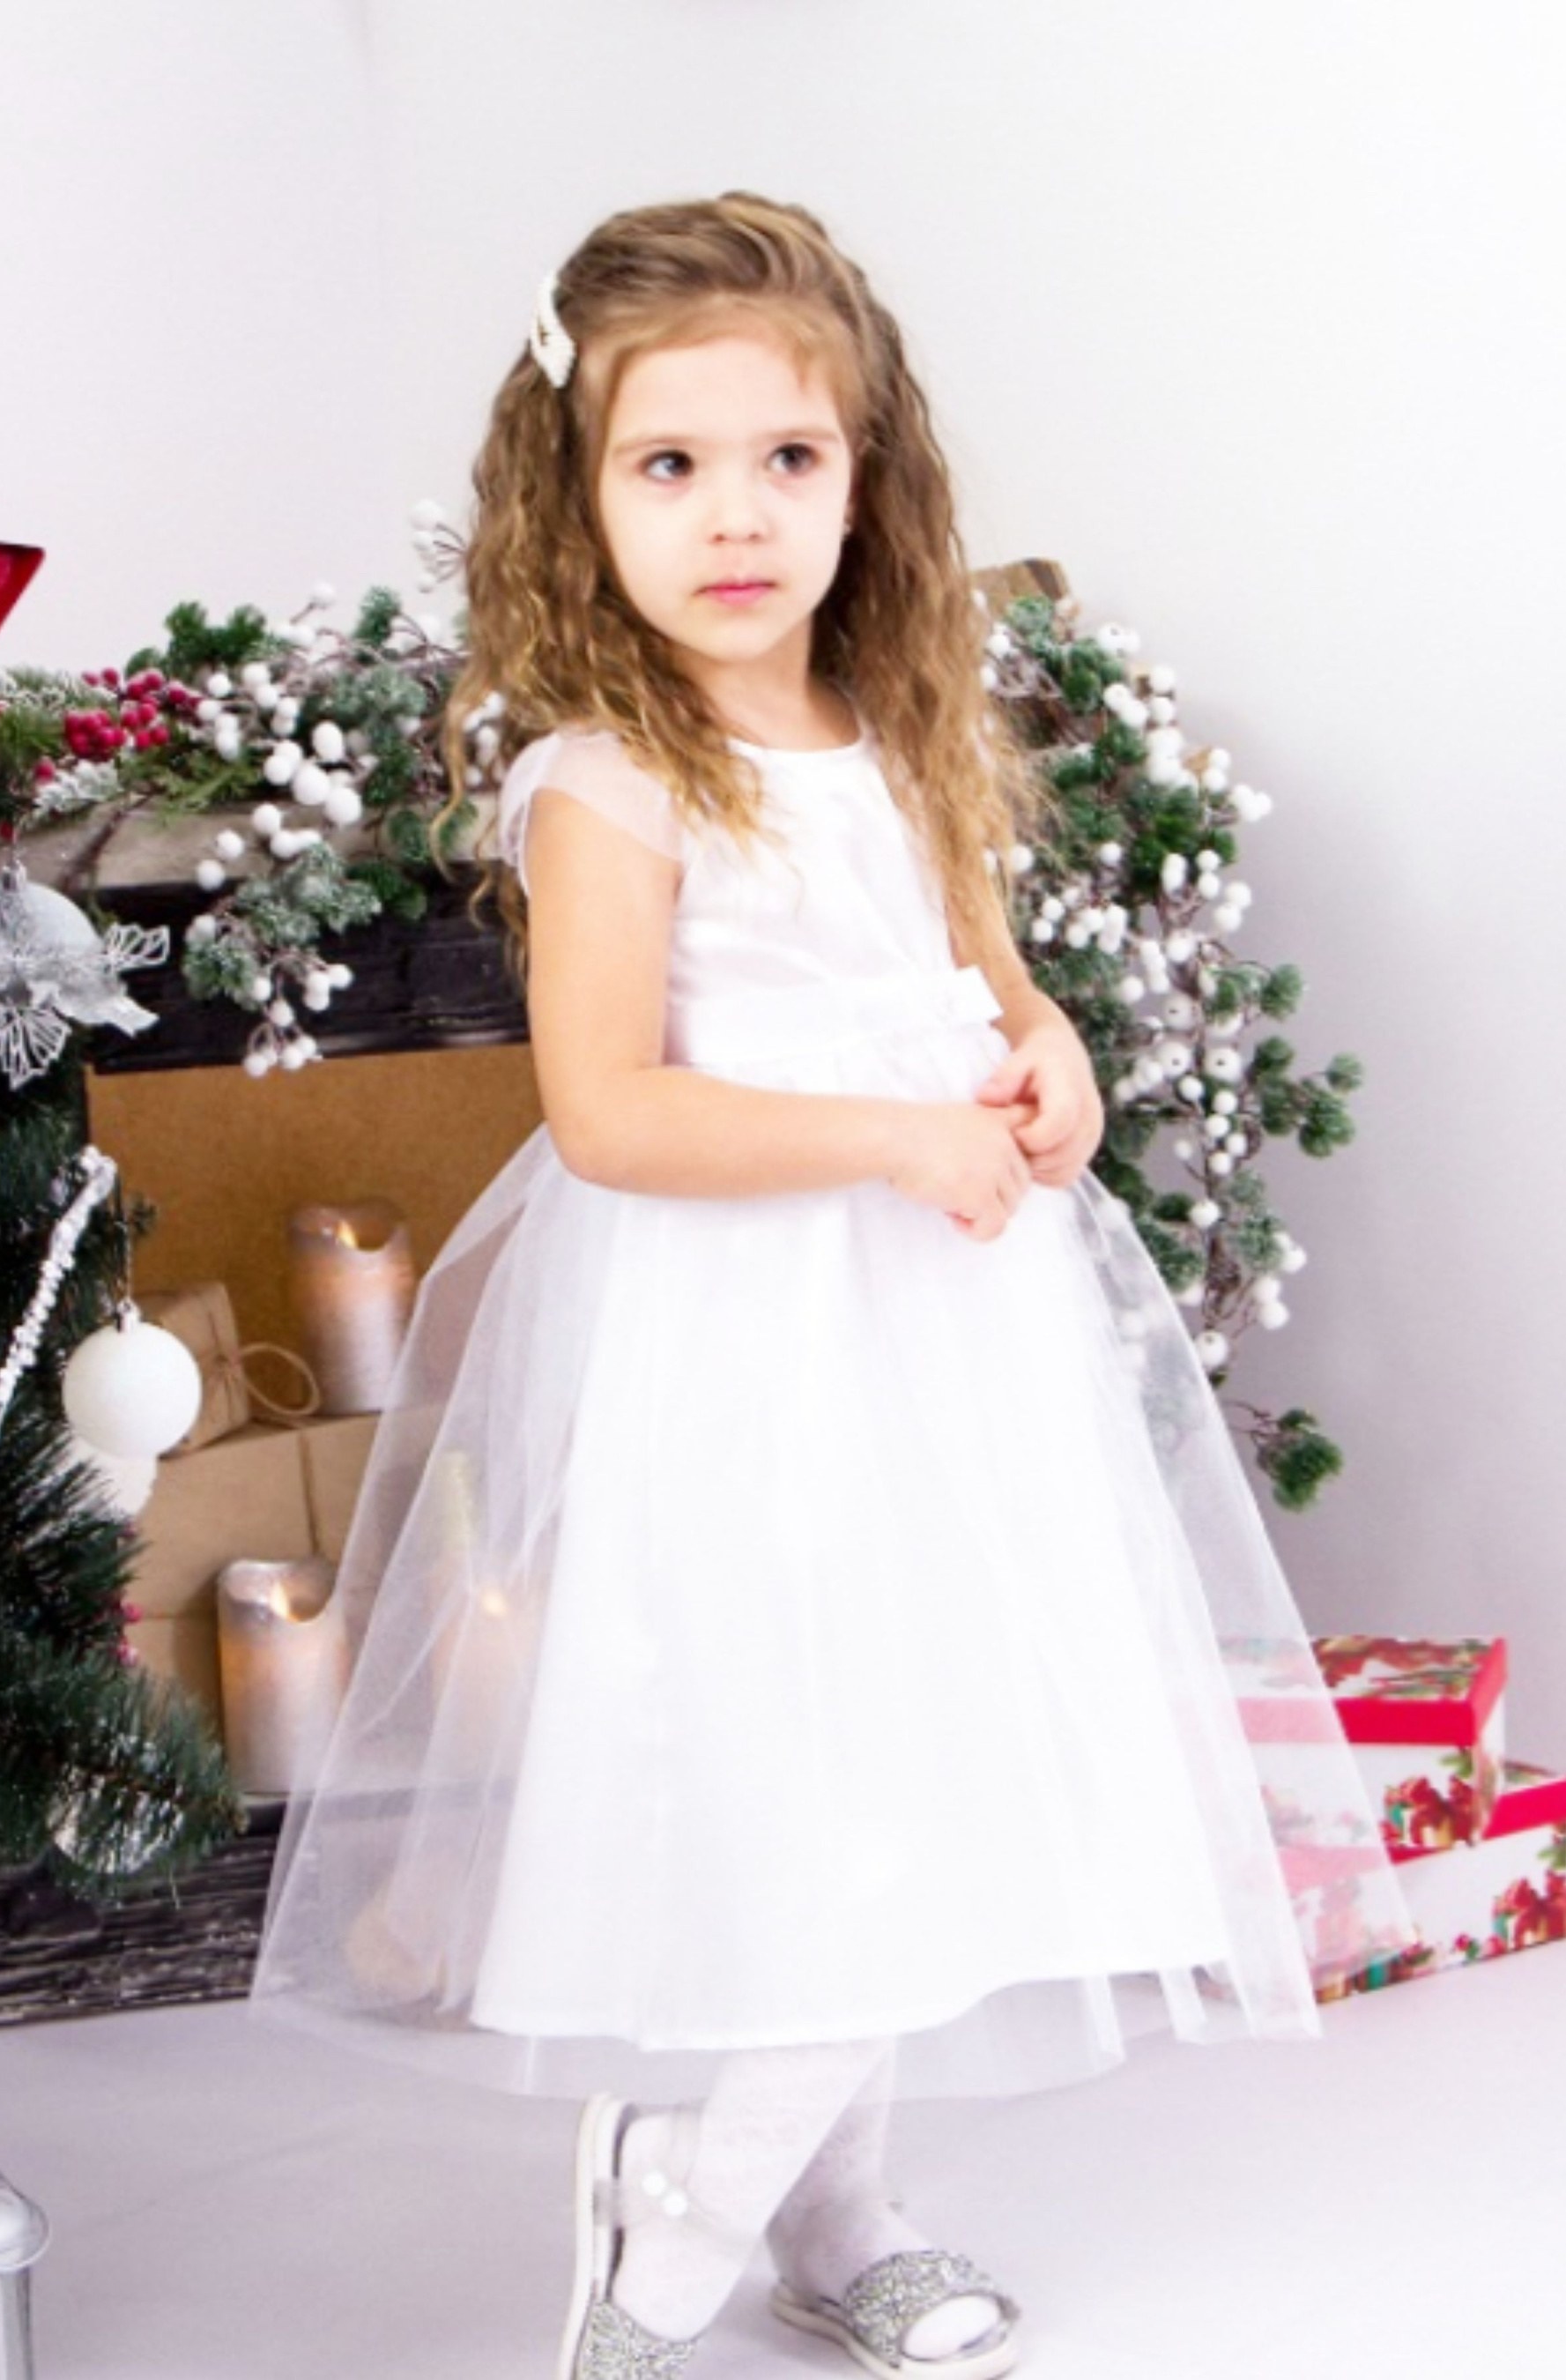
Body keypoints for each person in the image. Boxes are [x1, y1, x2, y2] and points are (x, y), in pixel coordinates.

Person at [253, 193, 1414, 2379]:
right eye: (667, 464)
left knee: (935, 1749)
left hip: (947, 1340)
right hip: (751, 1347)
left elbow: (989, 986)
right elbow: (607, 1109)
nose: (734, 515)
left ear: (865, 476)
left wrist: (1048, 1068)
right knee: (820, 1780)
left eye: (786, 458)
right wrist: (889, 1138)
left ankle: (830, 2215)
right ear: (576, 497)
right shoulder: (609, 782)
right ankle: (677, 2218)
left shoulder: (895, 727)